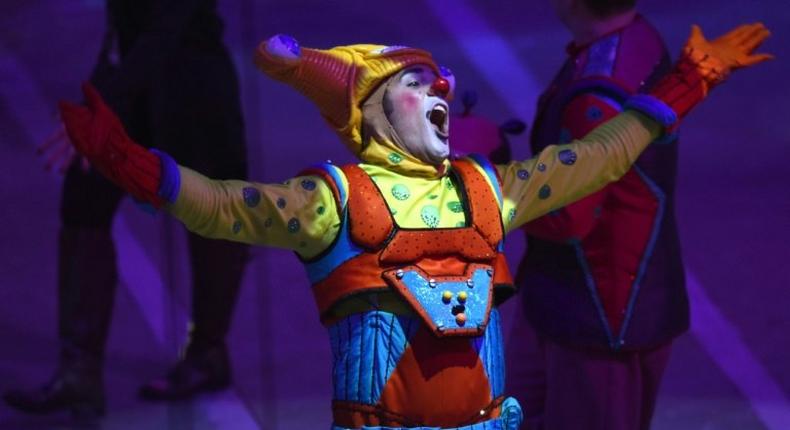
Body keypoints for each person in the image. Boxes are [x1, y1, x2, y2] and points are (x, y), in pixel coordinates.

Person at [57, 24, 768, 428]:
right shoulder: (331, 202)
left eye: (440, 83)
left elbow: (601, 158)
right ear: (371, 111)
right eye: (418, 84)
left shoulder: (489, 191)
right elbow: (223, 206)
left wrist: (690, 81)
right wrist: (128, 163)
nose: (443, 92)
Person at [506, 2, 771, 429]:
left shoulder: (598, 86)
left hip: (596, 317)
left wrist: (484, 191)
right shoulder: (637, 39)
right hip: (569, 302)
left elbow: (569, 212)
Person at [3, 0, 250, 417]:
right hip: (132, 81)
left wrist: (101, 108)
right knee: (83, 198)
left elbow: (167, 27)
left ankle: (208, 352)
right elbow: (126, 23)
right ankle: (78, 371)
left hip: (190, 86)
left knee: (209, 217)